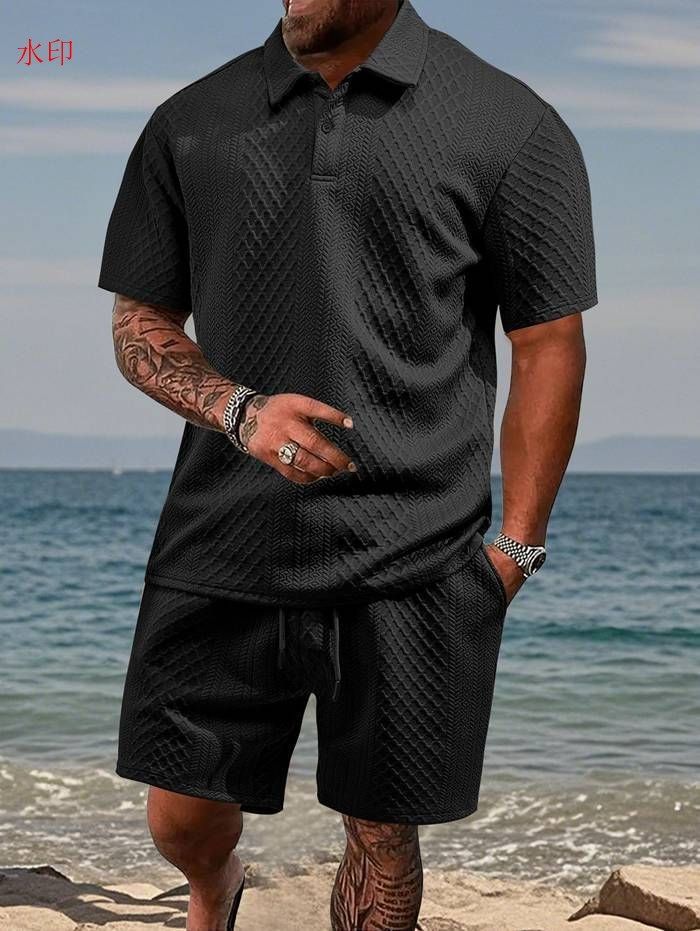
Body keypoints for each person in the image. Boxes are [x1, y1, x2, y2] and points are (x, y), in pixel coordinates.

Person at [97, 0, 597, 928]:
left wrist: (518, 547)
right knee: (181, 817)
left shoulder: (510, 123)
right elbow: (139, 328)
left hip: (414, 550)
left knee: (382, 832)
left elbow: (548, 342)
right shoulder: (190, 120)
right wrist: (240, 411)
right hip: (221, 536)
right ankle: (216, 882)